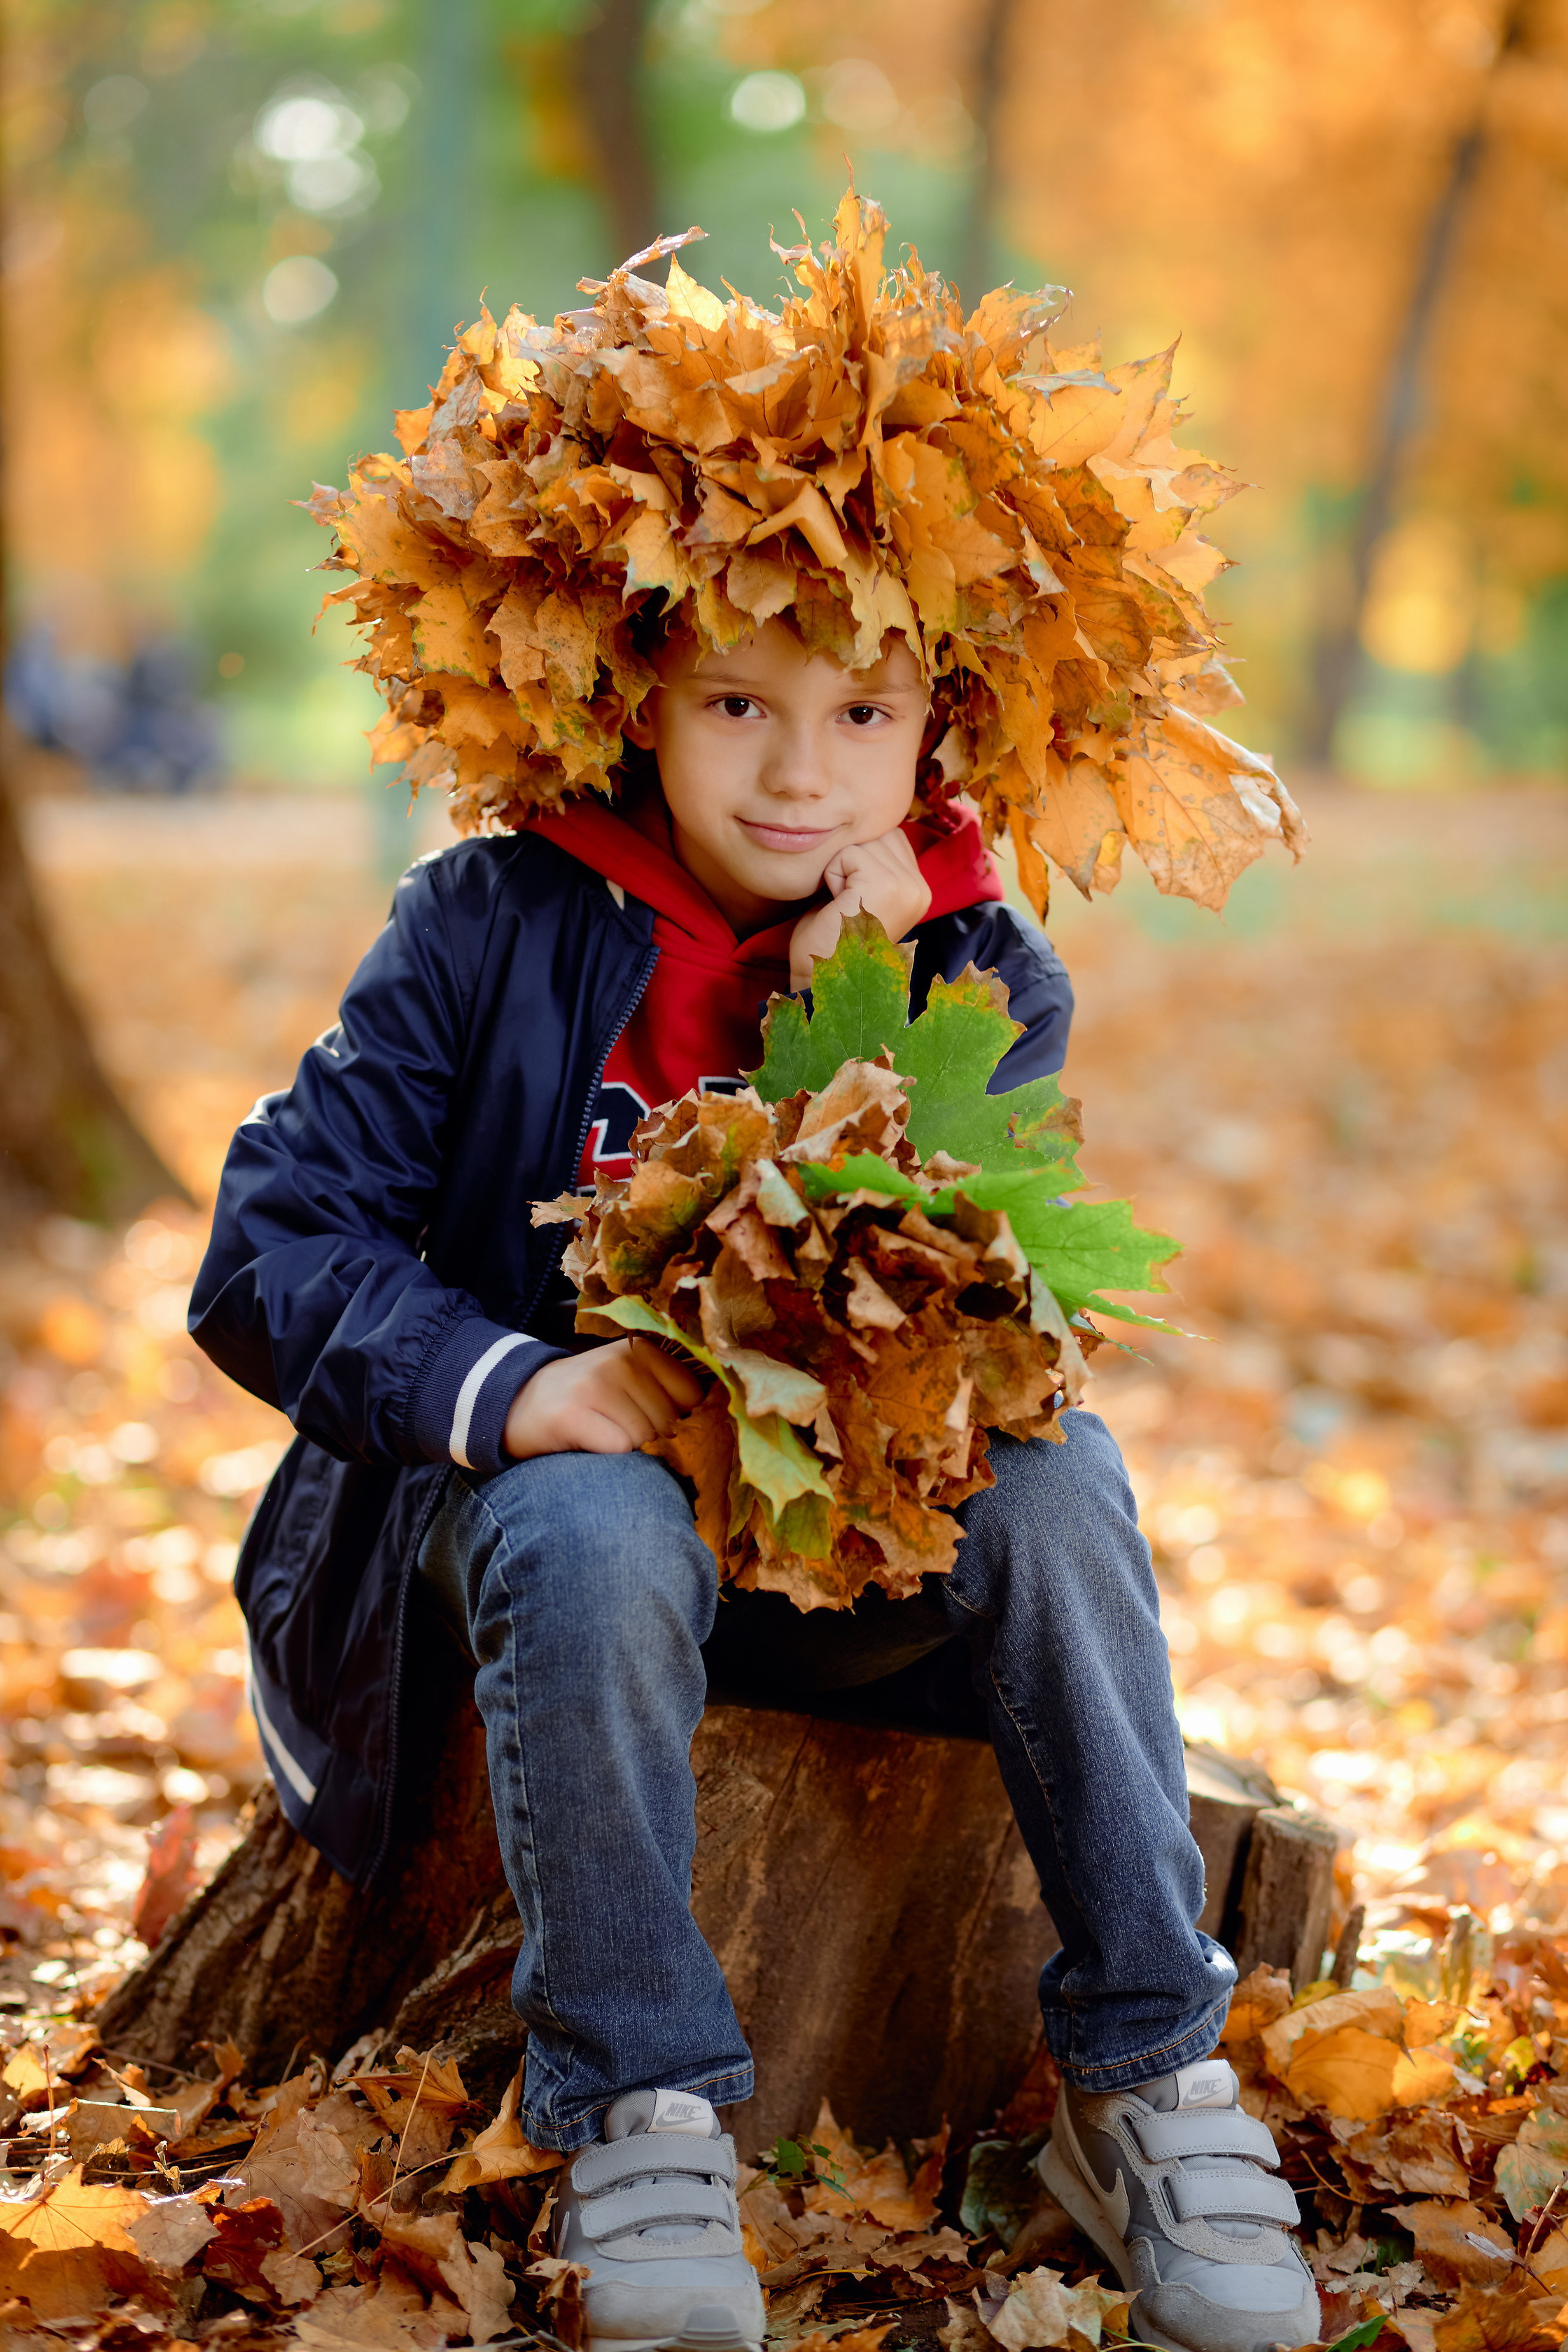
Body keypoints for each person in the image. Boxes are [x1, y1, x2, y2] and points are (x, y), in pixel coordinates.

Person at [190, 199, 1316, 2352]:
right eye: (738, 701)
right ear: (640, 692)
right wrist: (518, 1386)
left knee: (1065, 1491)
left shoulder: (984, 970)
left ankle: (1154, 2073)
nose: (801, 771)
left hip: (843, 1554)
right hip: (538, 1551)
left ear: (940, 729)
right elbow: (269, 1244)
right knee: (602, 1518)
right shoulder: (491, 925)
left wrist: (873, 1020)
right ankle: (640, 2115)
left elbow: (984, 1320)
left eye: (863, 712)